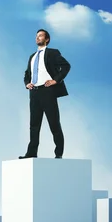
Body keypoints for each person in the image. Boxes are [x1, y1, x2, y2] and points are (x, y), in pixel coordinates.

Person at [19, 29, 71, 159]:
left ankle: (58, 154)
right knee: (34, 125)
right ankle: (31, 153)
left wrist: (55, 80)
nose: (37, 38)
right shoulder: (32, 56)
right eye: (36, 36)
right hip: (34, 93)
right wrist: (27, 83)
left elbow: (66, 66)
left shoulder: (52, 53)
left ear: (46, 39)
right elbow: (27, 74)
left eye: (40, 36)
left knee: (54, 123)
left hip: (48, 91)